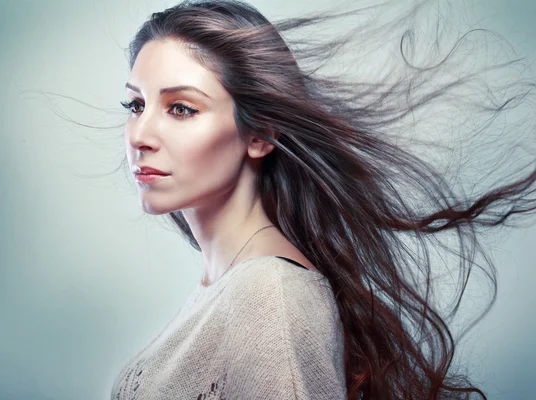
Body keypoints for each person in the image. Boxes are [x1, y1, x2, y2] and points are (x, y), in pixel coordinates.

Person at [109, 0, 536, 399]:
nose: (140, 136)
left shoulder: (270, 297)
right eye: (136, 105)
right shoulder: (227, 287)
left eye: (181, 108)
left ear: (260, 135)